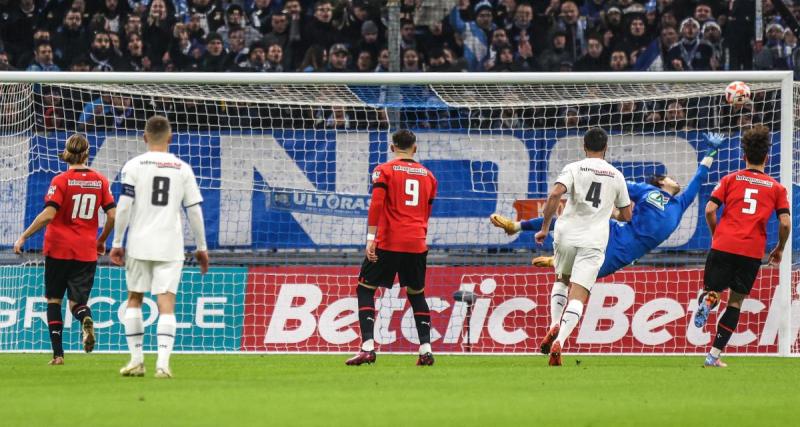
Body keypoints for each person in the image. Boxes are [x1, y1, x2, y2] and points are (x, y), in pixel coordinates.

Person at [492, 133, 726, 353]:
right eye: (670, 177)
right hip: (617, 233)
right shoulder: (646, 190)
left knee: (575, 271)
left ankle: (557, 264)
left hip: (625, 247)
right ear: (661, 181)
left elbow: (698, 179)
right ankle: (518, 226)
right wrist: (610, 205)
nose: (677, 181)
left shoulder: (680, 203)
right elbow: (615, 188)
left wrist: (711, 153)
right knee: (569, 219)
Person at [110, 115, 209, 378]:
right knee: (167, 304)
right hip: (170, 245)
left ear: (144, 137)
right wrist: (202, 247)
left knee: (134, 298)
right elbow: (194, 210)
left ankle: (136, 360)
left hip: (139, 243)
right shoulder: (182, 168)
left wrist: (117, 242)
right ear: (170, 137)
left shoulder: (133, 165)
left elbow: (124, 206)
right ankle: (163, 364)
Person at [13, 134, 116, 365]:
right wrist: (102, 239)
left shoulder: (61, 181)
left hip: (59, 249)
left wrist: (24, 235)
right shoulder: (100, 181)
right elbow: (112, 215)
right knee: (76, 304)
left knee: (54, 301)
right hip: (86, 251)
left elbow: (49, 214)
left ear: (67, 153)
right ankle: (85, 318)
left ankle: (58, 355)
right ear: (87, 153)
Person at [694, 125, 791, 367]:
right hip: (750, 251)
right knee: (735, 302)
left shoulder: (730, 179)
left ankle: (709, 299)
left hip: (724, 245)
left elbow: (709, 209)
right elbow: (786, 223)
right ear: (767, 157)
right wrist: (779, 247)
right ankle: (713, 356)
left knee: (713, 290)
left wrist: (717, 234)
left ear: (743, 155)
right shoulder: (776, 188)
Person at [534, 128, 631, 366]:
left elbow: (556, 192)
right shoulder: (616, 175)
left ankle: (554, 323)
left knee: (561, 280)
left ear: (584, 147)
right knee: (579, 294)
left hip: (566, 233)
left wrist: (545, 227)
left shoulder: (574, 168)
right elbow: (627, 215)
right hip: (594, 239)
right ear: (606, 148)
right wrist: (610, 209)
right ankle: (561, 341)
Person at [346, 129, 438, 366]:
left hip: (388, 241)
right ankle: (426, 350)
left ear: (391, 147)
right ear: (414, 148)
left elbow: (377, 204)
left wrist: (370, 237)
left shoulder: (383, 170)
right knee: (417, 295)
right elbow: (426, 213)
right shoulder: (429, 176)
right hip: (417, 242)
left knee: (365, 289)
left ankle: (368, 347)